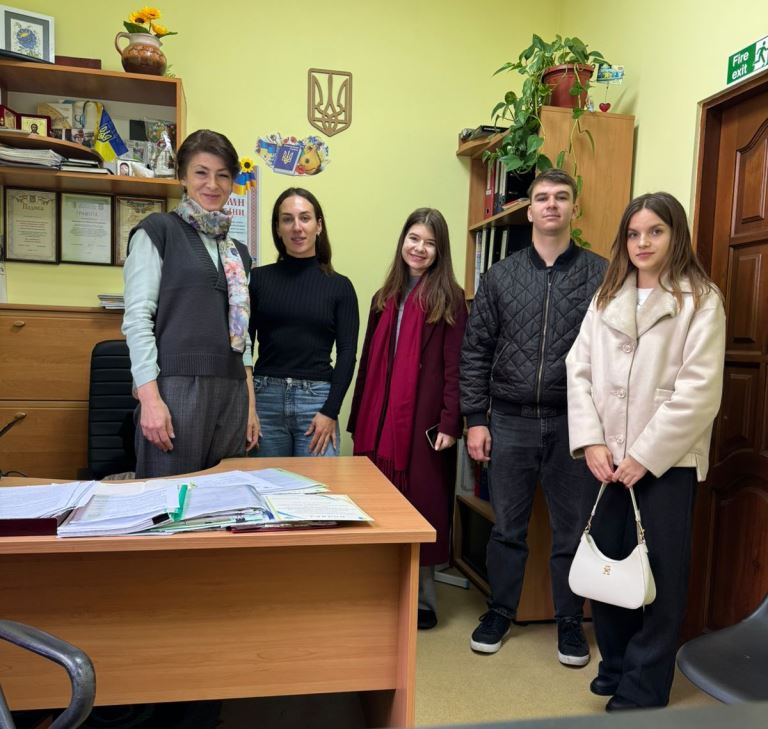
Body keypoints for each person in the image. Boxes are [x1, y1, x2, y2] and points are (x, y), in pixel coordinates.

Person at [566, 192, 725, 711]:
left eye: (655, 231)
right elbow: (578, 369)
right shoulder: (607, 294)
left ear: (675, 235)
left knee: (661, 576)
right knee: (610, 566)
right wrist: (591, 440)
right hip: (604, 460)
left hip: (665, 463)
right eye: (634, 234)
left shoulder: (701, 299)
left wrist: (645, 455)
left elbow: (699, 392)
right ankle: (615, 665)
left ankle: (645, 684)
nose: (642, 243)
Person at [460, 168, 606, 663]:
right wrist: (475, 418)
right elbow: (475, 351)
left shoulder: (602, 275)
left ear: (574, 208)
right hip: (509, 419)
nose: (551, 205)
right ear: (529, 211)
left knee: (572, 531)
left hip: (575, 423)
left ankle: (569, 621)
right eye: (542, 198)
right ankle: (500, 611)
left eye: (561, 197)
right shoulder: (500, 276)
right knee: (507, 529)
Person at [348, 208, 467, 630]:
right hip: (377, 422)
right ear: (403, 241)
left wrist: (451, 422)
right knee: (376, 506)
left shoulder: (450, 298)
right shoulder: (384, 297)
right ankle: (379, 593)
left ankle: (422, 599)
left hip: (423, 425)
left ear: (440, 251)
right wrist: (357, 417)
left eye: (430, 243)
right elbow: (366, 362)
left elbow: (456, 367)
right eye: (414, 238)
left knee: (421, 507)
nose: (420, 248)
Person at [122, 129, 258, 478]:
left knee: (224, 501)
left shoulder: (239, 253)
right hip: (176, 389)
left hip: (231, 391)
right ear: (182, 176)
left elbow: (243, 336)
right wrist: (150, 400)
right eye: (201, 172)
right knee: (169, 500)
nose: (212, 184)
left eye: (222, 175)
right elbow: (137, 318)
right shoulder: (157, 231)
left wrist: (250, 405)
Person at [248, 188, 358, 457]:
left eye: (305, 218)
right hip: (265, 401)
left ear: (318, 225)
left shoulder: (340, 286)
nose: (297, 227)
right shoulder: (258, 280)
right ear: (278, 228)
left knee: (317, 485)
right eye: (287, 219)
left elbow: (347, 354)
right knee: (264, 482)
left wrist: (330, 411)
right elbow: (243, 349)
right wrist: (248, 407)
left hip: (317, 403)